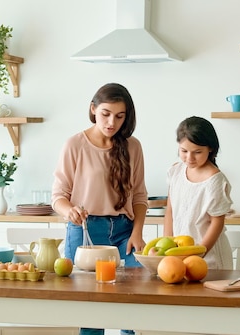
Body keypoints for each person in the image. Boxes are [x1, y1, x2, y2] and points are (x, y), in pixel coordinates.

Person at [51, 83, 148, 335]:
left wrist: (137, 232)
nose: (111, 122)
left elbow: (139, 195)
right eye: (105, 114)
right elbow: (58, 196)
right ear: (93, 109)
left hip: (124, 231)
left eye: (119, 116)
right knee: (91, 307)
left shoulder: (132, 146)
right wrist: (69, 210)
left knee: (132, 300)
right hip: (86, 231)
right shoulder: (75, 144)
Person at [163, 116, 234, 270]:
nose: (189, 158)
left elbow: (217, 222)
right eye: (184, 151)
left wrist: (199, 254)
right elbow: (170, 211)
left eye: (197, 152)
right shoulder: (176, 172)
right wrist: (167, 247)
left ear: (210, 149)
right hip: (180, 257)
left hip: (210, 259)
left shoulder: (215, 180)